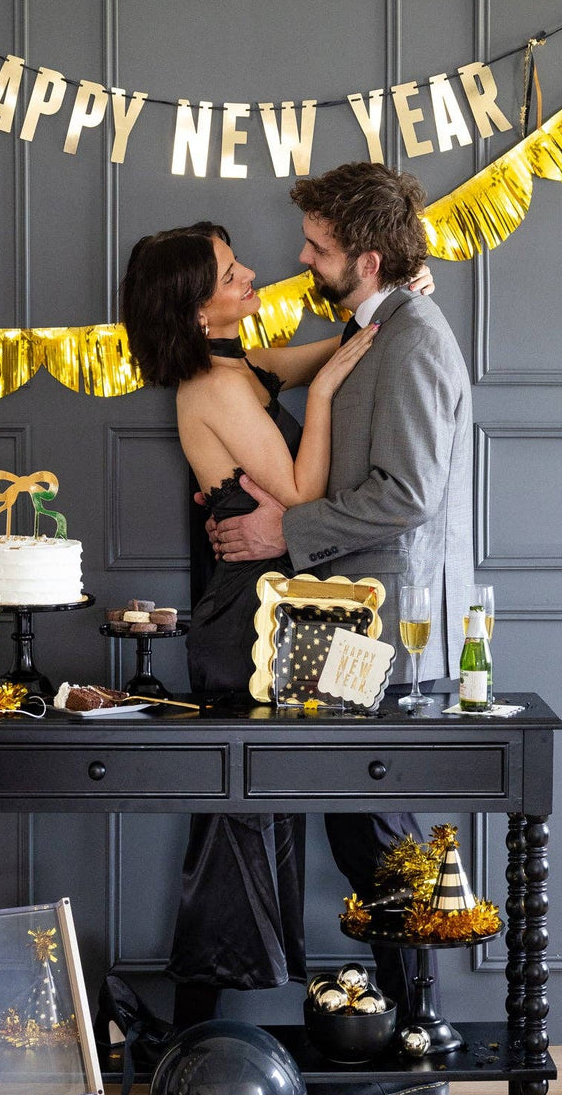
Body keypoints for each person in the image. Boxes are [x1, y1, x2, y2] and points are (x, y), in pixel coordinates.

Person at [204, 161, 475, 1022]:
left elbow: (407, 494)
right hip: (344, 620)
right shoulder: (378, 323)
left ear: (365, 259)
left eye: (318, 249)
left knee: (376, 832)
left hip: (385, 627)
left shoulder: (416, 336)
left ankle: (419, 1028)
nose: (301, 259)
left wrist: (287, 533)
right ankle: (406, 1022)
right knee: (362, 827)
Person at [120, 220, 389, 1027]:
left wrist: (376, 318)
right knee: (242, 817)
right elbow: (303, 497)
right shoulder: (216, 388)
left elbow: (299, 358)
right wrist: (334, 391)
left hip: (272, 613)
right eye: (233, 276)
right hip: (252, 627)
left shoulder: (233, 365)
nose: (254, 280)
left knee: (253, 814)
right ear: (199, 313)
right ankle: (195, 1035)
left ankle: (192, 1033)